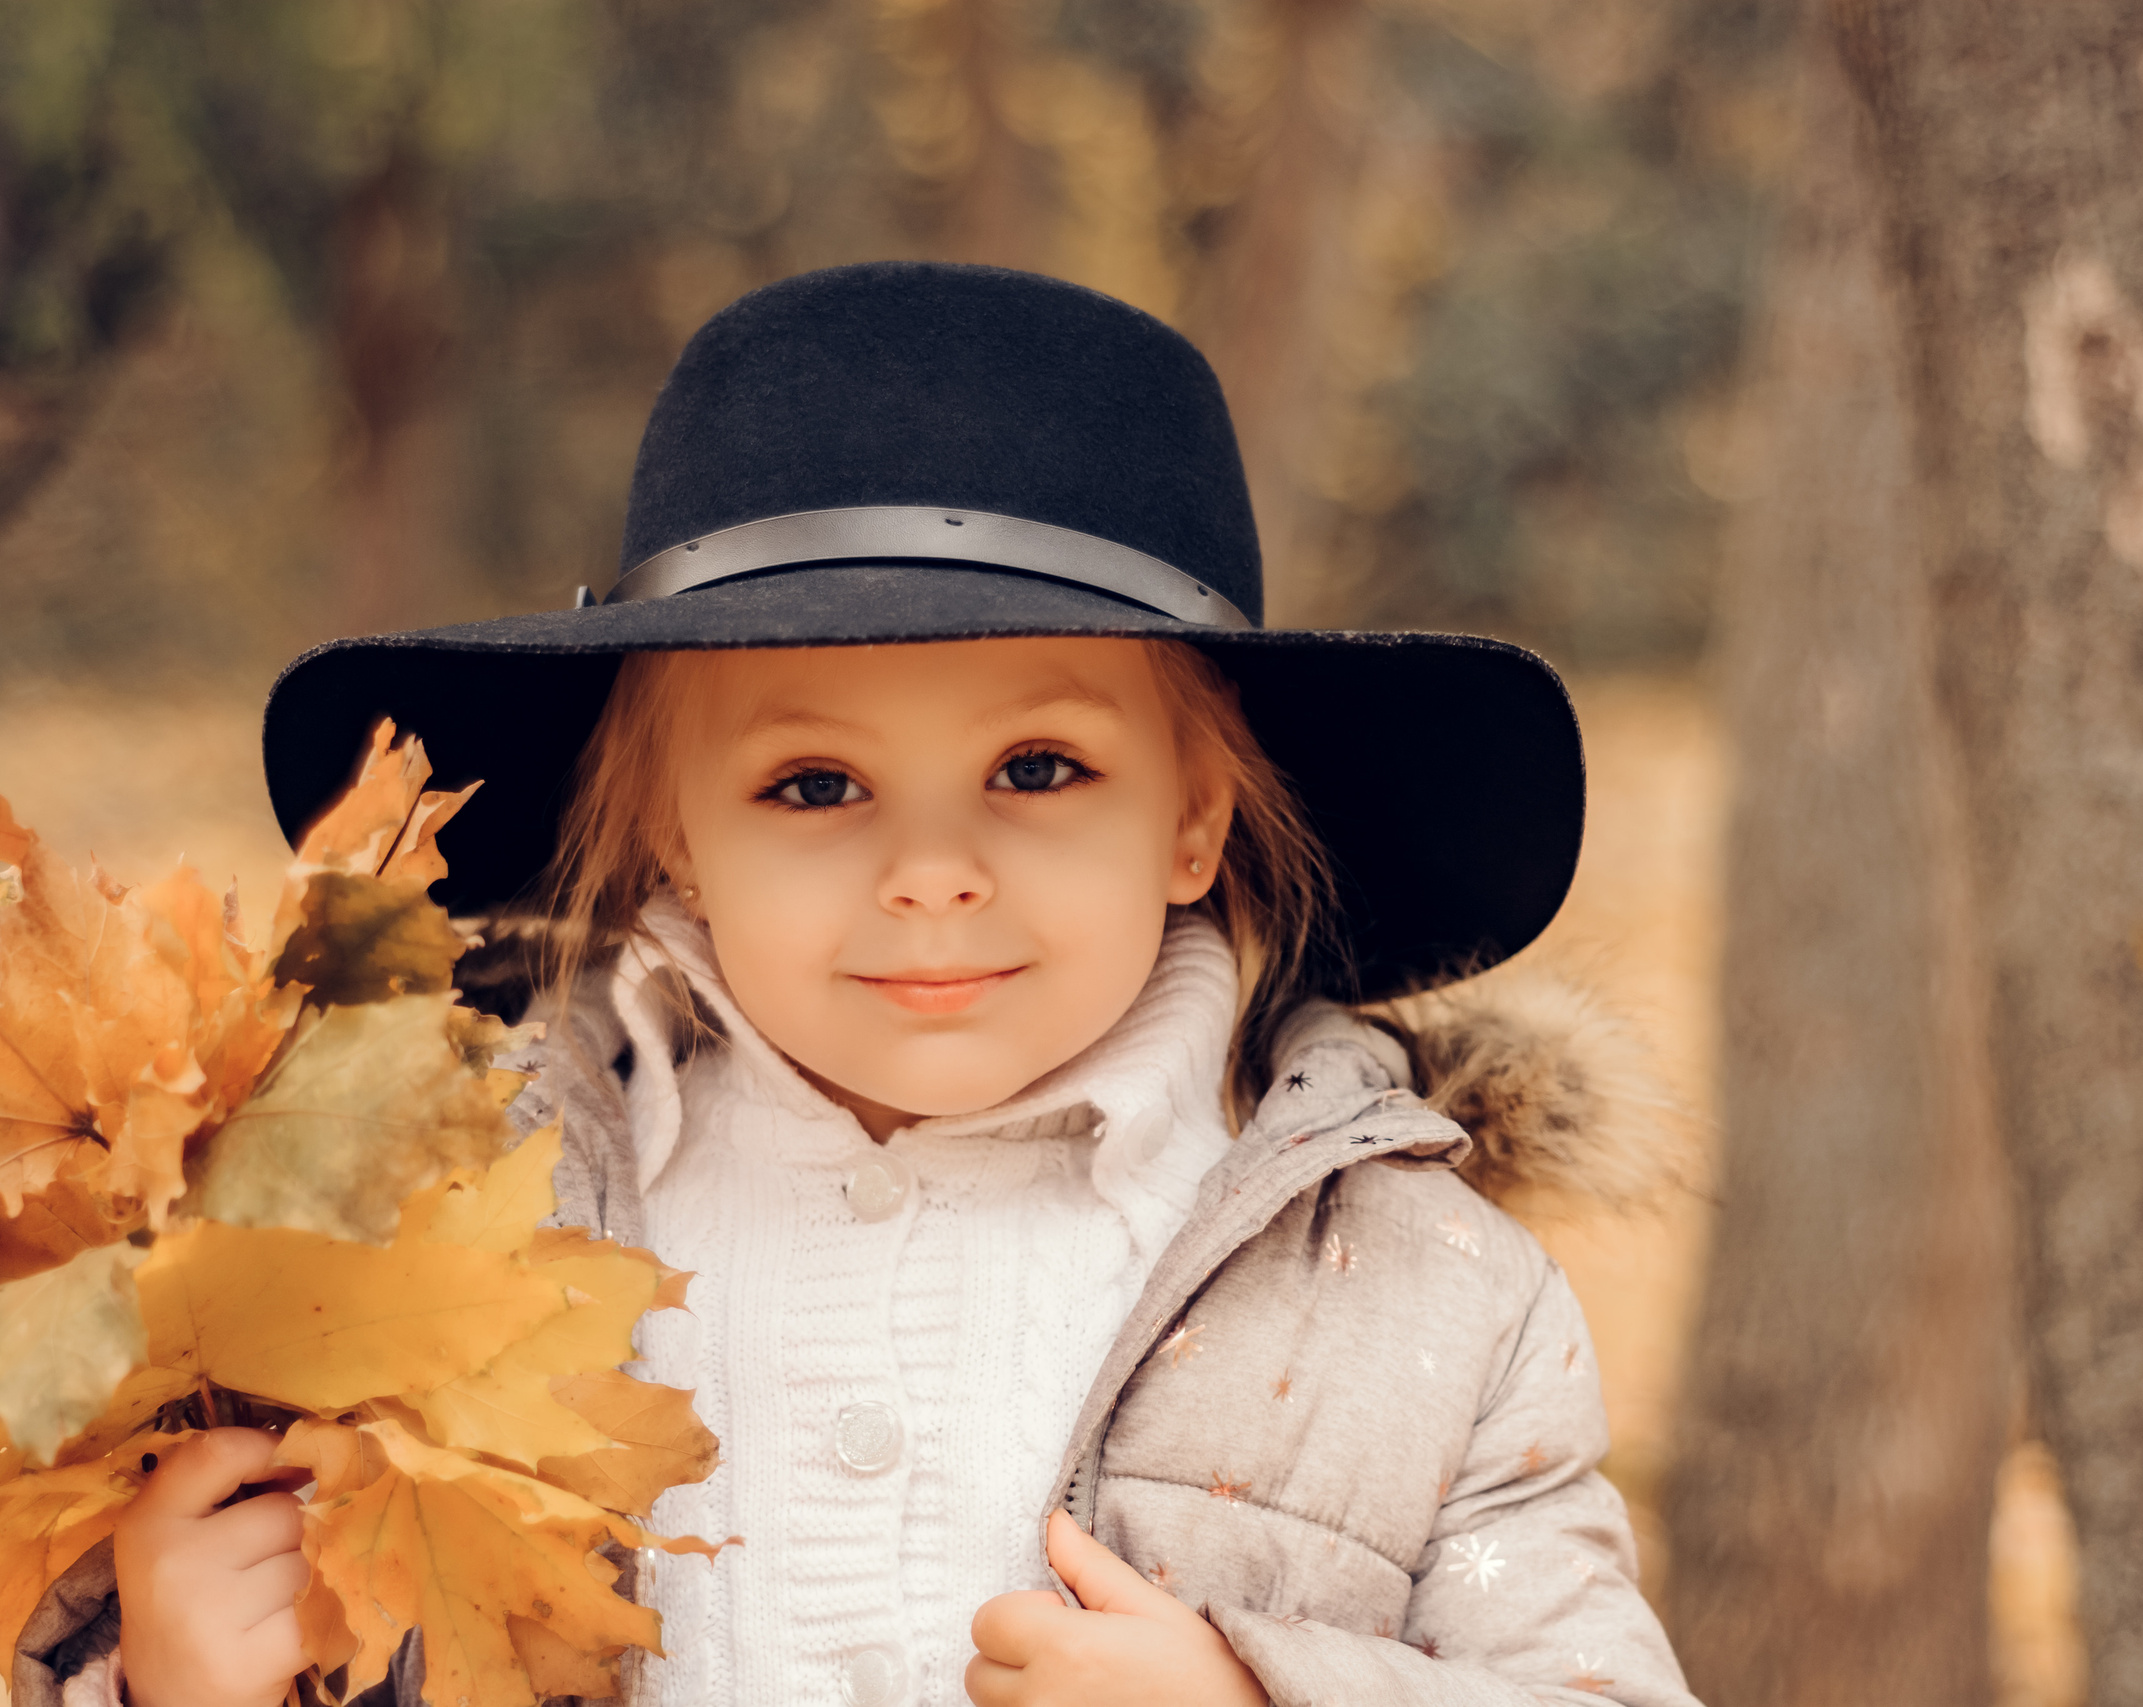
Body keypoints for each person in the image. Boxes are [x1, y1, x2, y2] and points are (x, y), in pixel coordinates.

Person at [30, 263, 1700, 1707]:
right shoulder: (410, 1233)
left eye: (1039, 768)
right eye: (813, 787)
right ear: (673, 841)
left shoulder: (1426, 1294)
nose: (930, 871)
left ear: (1194, 818)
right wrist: (170, 1676)